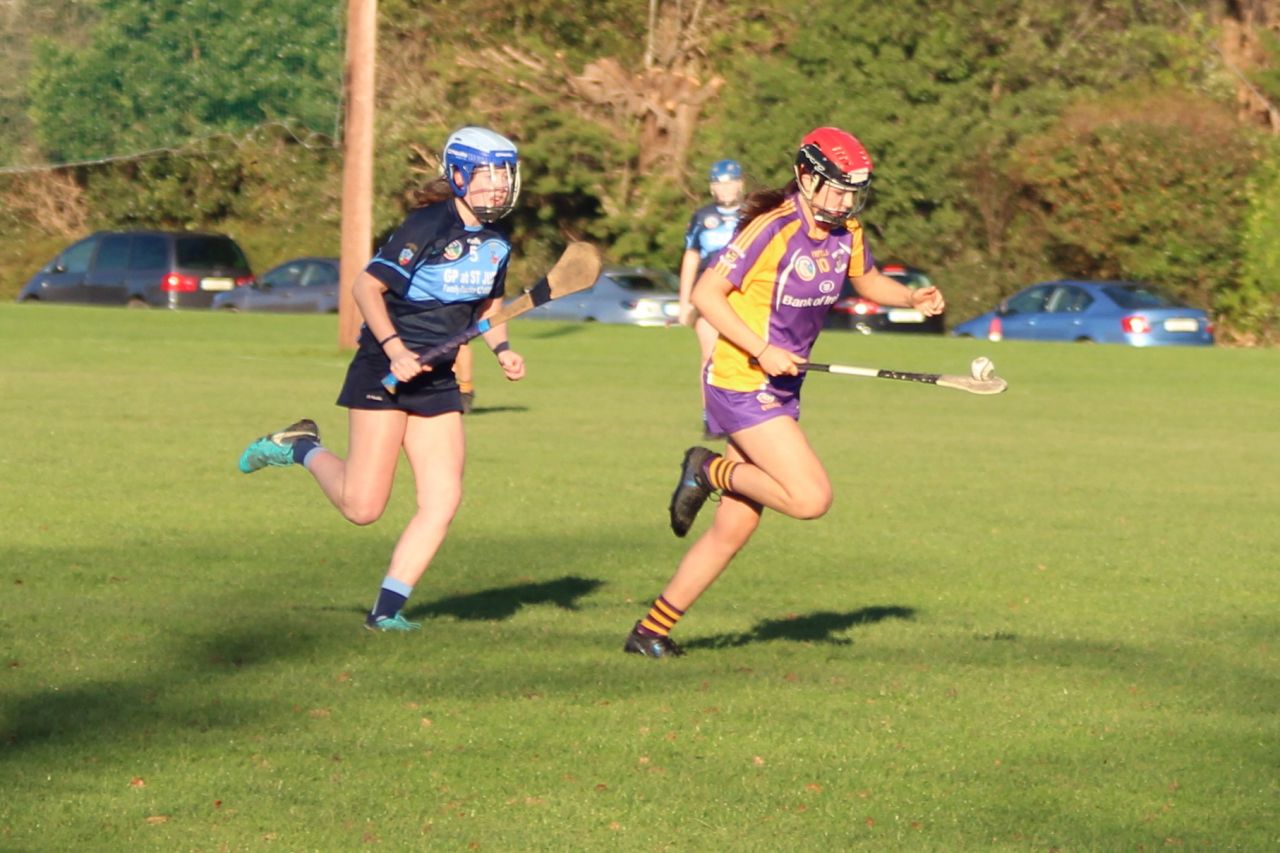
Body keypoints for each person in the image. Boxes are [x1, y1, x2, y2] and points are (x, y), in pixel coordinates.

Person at [623, 127, 946, 658]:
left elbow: (866, 282)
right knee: (810, 497)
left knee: (734, 527)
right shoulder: (771, 230)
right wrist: (760, 347)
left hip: (781, 385)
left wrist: (910, 295)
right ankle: (706, 469)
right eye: (837, 189)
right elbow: (707, 294)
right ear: (806, 177)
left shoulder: (847, 232)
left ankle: (649, 631)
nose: (845, 201)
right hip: (740, 380)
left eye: (853, 192)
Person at [237, 126, 526, 632]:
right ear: (458, 175)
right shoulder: (426, 225)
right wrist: (394, 349)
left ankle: (386, 613)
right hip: (384, 371)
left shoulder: (498, 239)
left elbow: (488, 302)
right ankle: (299, 446)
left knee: (443, 500)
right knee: (362, 507)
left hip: (437, 379)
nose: (498, 186)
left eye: (504, 175)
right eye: (487, 174)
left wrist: (501, 348)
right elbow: (366, 288)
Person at [679, 159, 744, 424]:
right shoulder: (702, 217)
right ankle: (711, 412)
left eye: (730, 183)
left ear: (740, 185)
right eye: (719, 183)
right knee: (711, 353)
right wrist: (684, 302)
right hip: (707, 292)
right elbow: (691, 257)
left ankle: (742, 408)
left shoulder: (753, 215)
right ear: (712, 187)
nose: (725, 189)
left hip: (741, 294)